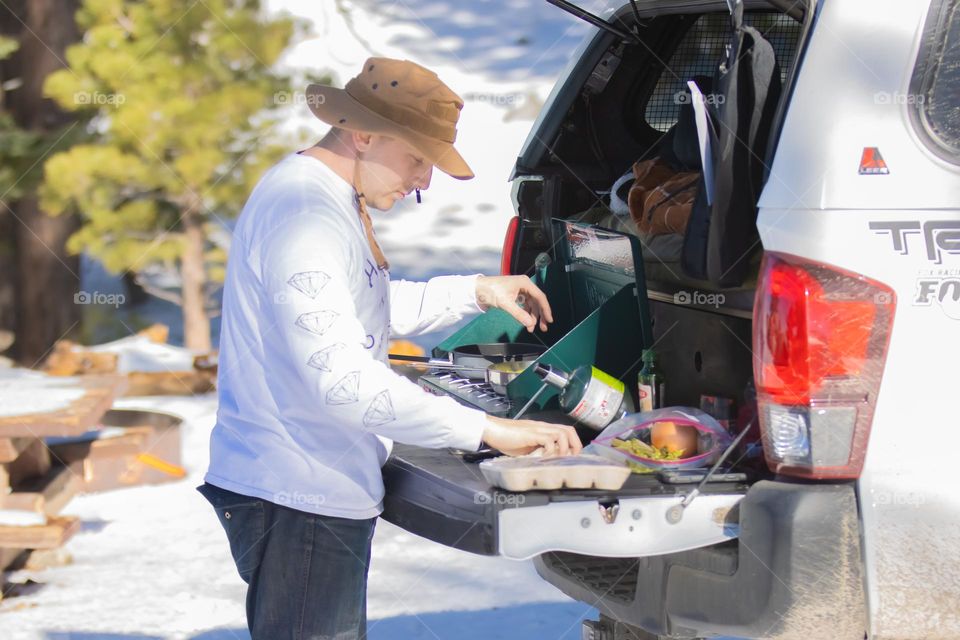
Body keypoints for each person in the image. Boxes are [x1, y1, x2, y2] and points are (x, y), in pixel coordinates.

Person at [198, 57, 581, 639]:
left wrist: (474, 291)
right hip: (299, 492)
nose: (424, 180)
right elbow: (346, 383)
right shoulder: (306, 214)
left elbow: (357, 306)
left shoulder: (322, 198)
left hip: (312, 487)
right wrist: (486, 431)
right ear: (363, 134)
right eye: (417, 158)